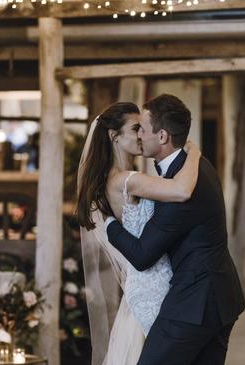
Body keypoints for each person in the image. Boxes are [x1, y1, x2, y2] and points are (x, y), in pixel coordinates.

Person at [105, 94, 245, 365]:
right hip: (220, 298)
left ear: (162, 137)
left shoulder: (182, 189)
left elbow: (143, 255)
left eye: (142, 130)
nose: (138, 137)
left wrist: (107, 223)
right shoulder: (196, 166)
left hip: (195, 304)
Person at [77, 101, 201, 365]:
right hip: (152, 285)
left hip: (150, 280)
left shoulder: (119, 178)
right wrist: (194, 152)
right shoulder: (124, 181)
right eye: (136, 128)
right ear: (114, 136)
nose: (142, 134)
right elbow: (181, 190)